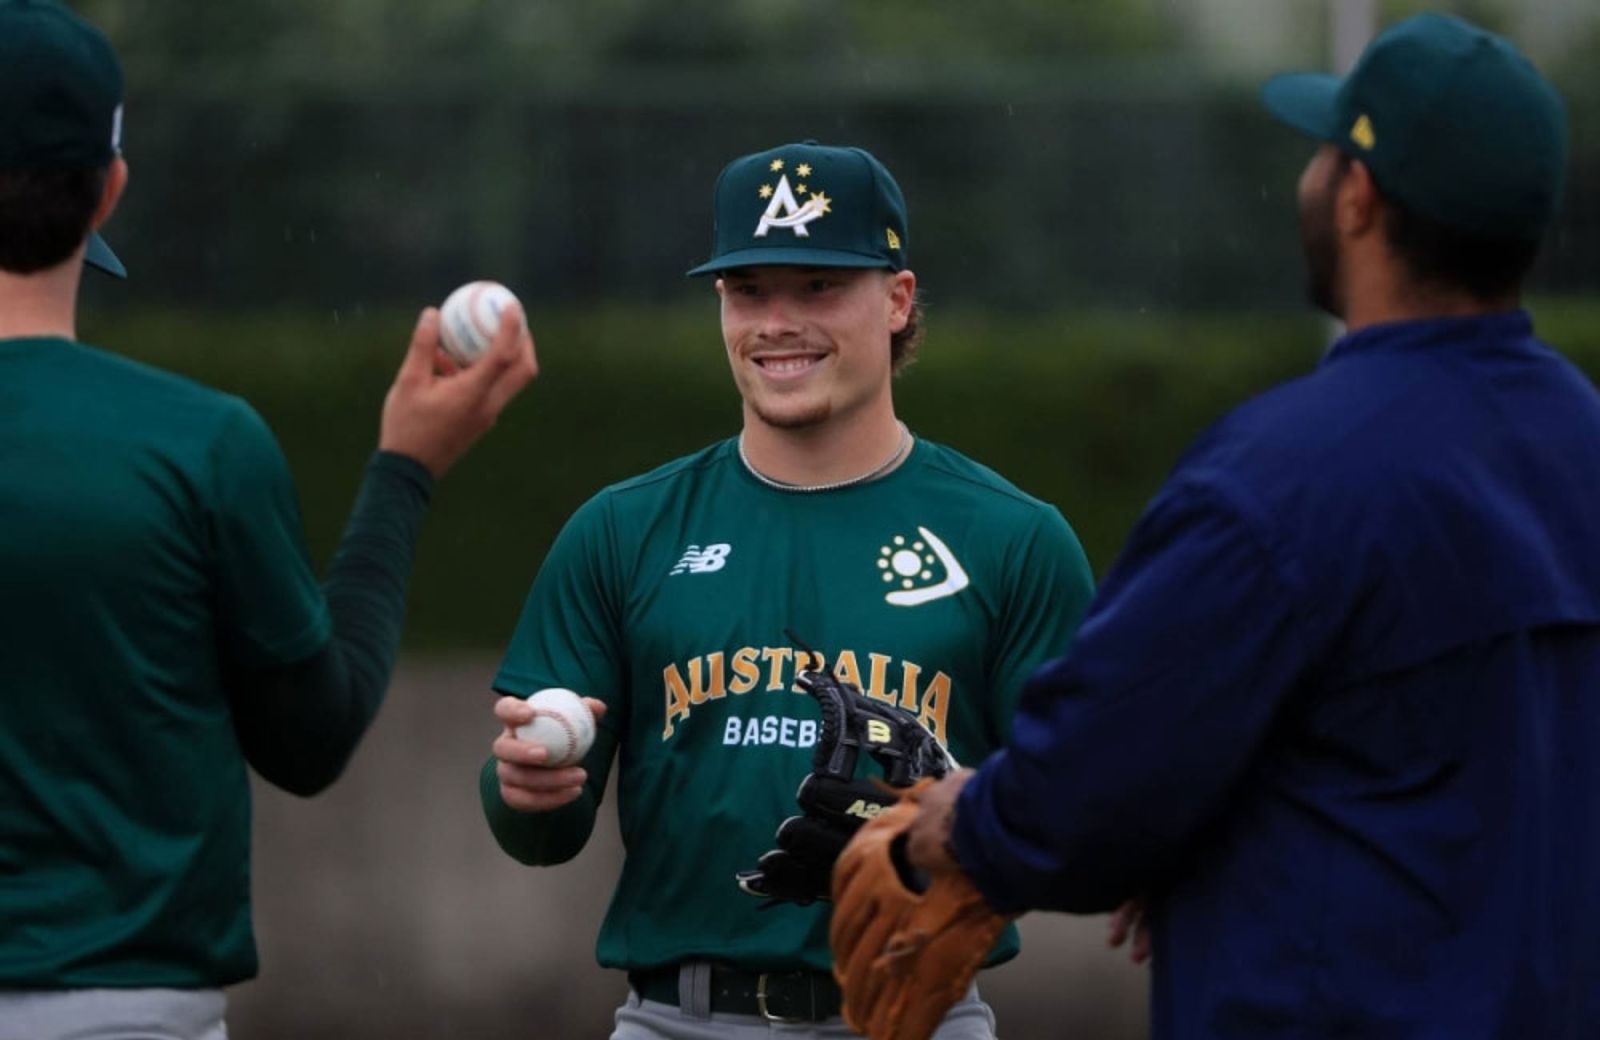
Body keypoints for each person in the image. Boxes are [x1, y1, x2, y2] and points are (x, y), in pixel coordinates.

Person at [894, 13, 1600, 1039]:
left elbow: (1085, 793)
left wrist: (959, 821)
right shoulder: (1581, 440)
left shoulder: (1283, 476)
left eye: (1325, 151)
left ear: (1357, 195)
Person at [0, 3, 537, 1037]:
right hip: (125, 1008)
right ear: (108, 189)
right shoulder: (197, 443)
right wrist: (405, 469)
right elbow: (309, 737)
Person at [481, 140, 1095, 1038]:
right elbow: (540, 834)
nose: (777, 321)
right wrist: (525, 791)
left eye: (818, 286)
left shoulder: (1011, 539)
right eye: (749, 289)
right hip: (676, 1017)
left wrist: (968, 827)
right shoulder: (624, 530)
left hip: (917, 1015)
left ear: (897, 299)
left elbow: (1077, 815)